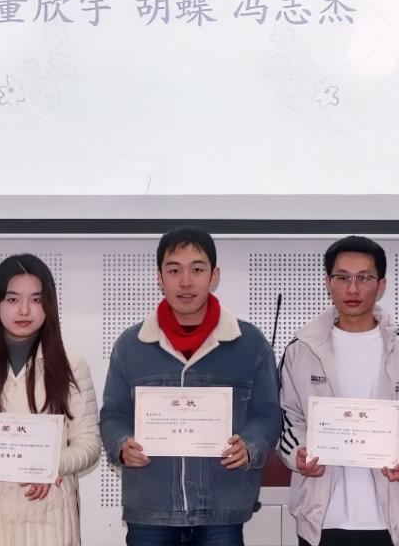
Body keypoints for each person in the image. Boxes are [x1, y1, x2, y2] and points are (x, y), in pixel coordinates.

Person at [100, 226, 281, 546]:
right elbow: (113, 414)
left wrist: (250, 446)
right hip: (151, 509)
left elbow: (268, 415)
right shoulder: (131, 345)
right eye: (174, 270)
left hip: (221, 510)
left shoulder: (250, 343)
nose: (185, 281)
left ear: (214, 275)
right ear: (160, 277)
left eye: (197, 269)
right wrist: (122, 445)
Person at [278, 235, 399, 546]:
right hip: (321, 519)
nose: (353, 288)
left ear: (381, 285)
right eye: (342, 277)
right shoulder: (301, 350)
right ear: (327, 282)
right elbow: (286, 416)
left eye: (364, 278)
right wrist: (299, 452)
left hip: (394, 520)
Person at [0, 254, 101, 545]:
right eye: (12, 299)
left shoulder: (71, 365)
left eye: (36, 300)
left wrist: (51, 465)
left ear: (49, 305)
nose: (25, 310)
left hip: (48, 517)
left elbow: (88, 445)